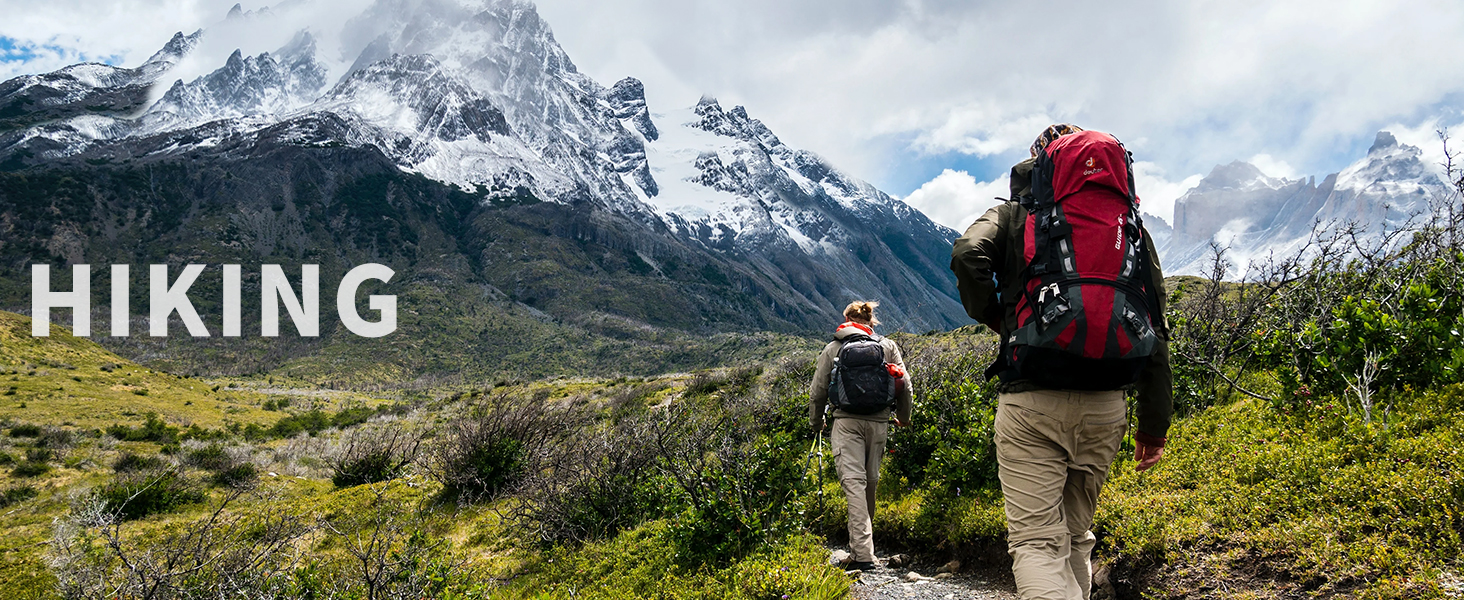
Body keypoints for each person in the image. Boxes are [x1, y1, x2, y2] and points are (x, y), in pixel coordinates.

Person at [949, 124, 1173, 600]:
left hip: (1031, 400)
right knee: (1076, 534)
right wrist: (1153, 428)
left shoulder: (1014, 215)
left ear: (1041, 163)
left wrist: (997, 318)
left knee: (1035, 542)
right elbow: (1154, 322)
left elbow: (969, 253)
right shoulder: (1128, 226)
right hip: (1107, 406)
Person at [808, 300, 913, 572]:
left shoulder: (833, 348)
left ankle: (863, 554)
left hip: (846, 423)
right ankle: (863, 548)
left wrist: (817, 422)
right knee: (870, 483)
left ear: (846, 319)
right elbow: (906, 385)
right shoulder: (887, 346)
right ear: (870, 321)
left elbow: (818, 391)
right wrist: (903, 417)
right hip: (879, 423)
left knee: (853, 484)